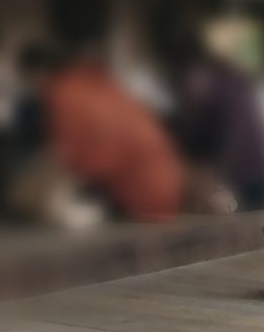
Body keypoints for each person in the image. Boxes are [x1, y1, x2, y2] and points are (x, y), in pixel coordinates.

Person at [22, 38, 187, 224]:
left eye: (28, 77)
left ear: (38, 70)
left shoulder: (63, 92)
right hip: (167, 187)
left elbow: (65, 157)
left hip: (139, 195)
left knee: (49, 208)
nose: (30, 86)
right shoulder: (94, 83)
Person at [152, 10, 264, 211]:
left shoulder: (212, 80)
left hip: (248, 185)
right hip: (253, 181)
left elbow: (232, 138)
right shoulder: (219, 78)